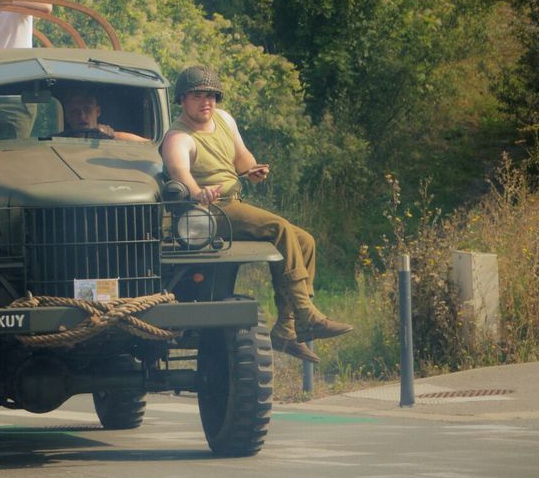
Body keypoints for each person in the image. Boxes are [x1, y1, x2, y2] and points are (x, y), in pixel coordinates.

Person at [160, 66, 352, 364]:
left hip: (232, 202)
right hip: (208, 213)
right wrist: (198, 192)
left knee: (305, 241)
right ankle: (306, 314)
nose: (206, 102)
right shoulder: (178, 136)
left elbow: (241, 156)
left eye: (211, 95)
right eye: (198, 96)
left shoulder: (223, 120)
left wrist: (252, 170)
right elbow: (178, 171)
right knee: (279, 229)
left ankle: (286, 329)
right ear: (183, 99)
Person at [58, 91, 148, 141]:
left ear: (98, 112)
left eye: (87, 110)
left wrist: (112, 136)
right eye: (74, 112)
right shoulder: (56, 142)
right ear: (67, 116)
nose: (82, 116)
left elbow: (147, 144)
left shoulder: (108, 136)